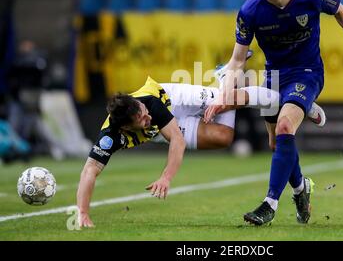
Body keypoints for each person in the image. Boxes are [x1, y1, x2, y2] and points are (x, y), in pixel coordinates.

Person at [205, 0, 343, 226]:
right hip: (273, 77)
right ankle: (300, 189)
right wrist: (224, 96)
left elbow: (340, 10)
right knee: (276, 144)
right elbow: (237, 60)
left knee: (285, 127)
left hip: (307, 73)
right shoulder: (251, 9)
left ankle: (269, 204)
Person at [78, 75, 327, 227]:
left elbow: (177, 140)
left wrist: (166, 177)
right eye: (142, 120)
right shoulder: (109, 136)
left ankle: (297, 101)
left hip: (175, 99)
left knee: (225, 99)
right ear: (125, 126)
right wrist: (83, 213)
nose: (147, 117)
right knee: (224, 137)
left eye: (144, 112)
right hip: (169, 124)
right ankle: (226, 79)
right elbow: (90, 170)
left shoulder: (151, 104)